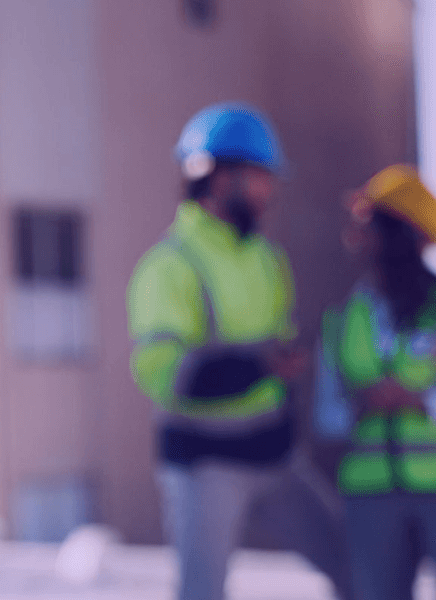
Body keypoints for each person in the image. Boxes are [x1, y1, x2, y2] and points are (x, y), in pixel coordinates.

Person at [127, 102, 351, 600]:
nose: (268, 191)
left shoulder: (268, 260)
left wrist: (283, 365)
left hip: (275, 458)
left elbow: (278, 346)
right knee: (202, 593)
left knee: (356, 564)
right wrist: (257, 366)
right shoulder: (168, 266)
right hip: (206, 467)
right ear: (215, 178)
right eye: (258, 177)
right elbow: (164, 375)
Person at [315, 164, 436, 600]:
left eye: (379, 227)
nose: (366, 240)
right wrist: (362, 406)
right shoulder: (343, 321)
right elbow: (326, 417)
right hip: (371, 492)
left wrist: (421, 402)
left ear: (413, 237)